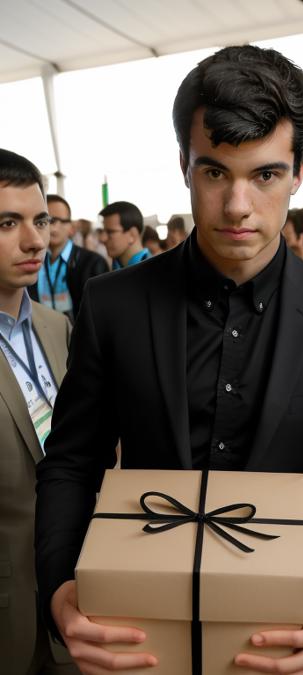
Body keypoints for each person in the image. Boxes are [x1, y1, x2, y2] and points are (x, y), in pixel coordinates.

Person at [35, 45, 303, 675]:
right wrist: (59, 589)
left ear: (299, 174)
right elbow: (72, 462)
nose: (238, 206)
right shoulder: (114, 306)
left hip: (286, 639)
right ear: (185, 166)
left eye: (264, 175)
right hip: (135, 637)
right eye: (215, 173)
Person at [0, 149, 78, 675]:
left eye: (41, 220)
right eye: (8, 223)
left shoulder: (57, 327)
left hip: (74, 592)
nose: (35, 241)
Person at [29, 195, 109, 322]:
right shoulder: (29, 261)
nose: (51, 227)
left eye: (54, 220)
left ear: (71, 227)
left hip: (77, 336)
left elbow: (100, 314)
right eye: (42, 221)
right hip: (41, 335)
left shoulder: (92, 263)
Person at [99, 200, 151, 268]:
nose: (102, 238)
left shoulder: (158, 271)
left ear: (132, 234)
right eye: (102, 231)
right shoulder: (107, 267)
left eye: (110, 232)